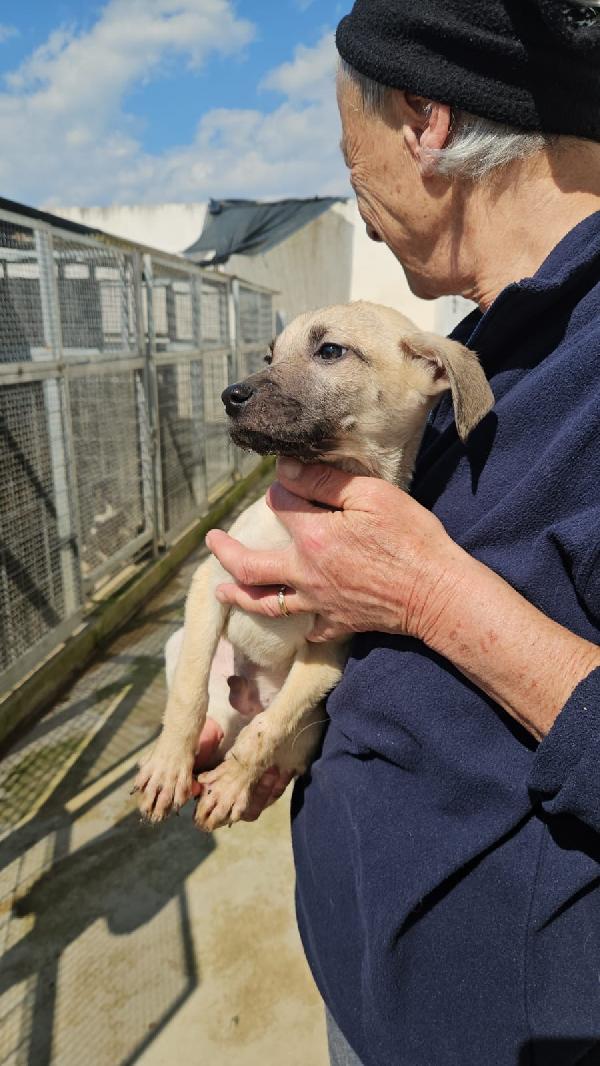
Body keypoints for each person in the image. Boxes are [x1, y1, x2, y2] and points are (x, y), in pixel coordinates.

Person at [199, 2, 600, 1062]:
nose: (354, 198)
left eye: (349, 158)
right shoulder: (481, 343)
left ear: (426, 120)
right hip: (364, 978)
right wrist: (283, 728)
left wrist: (429, 595)